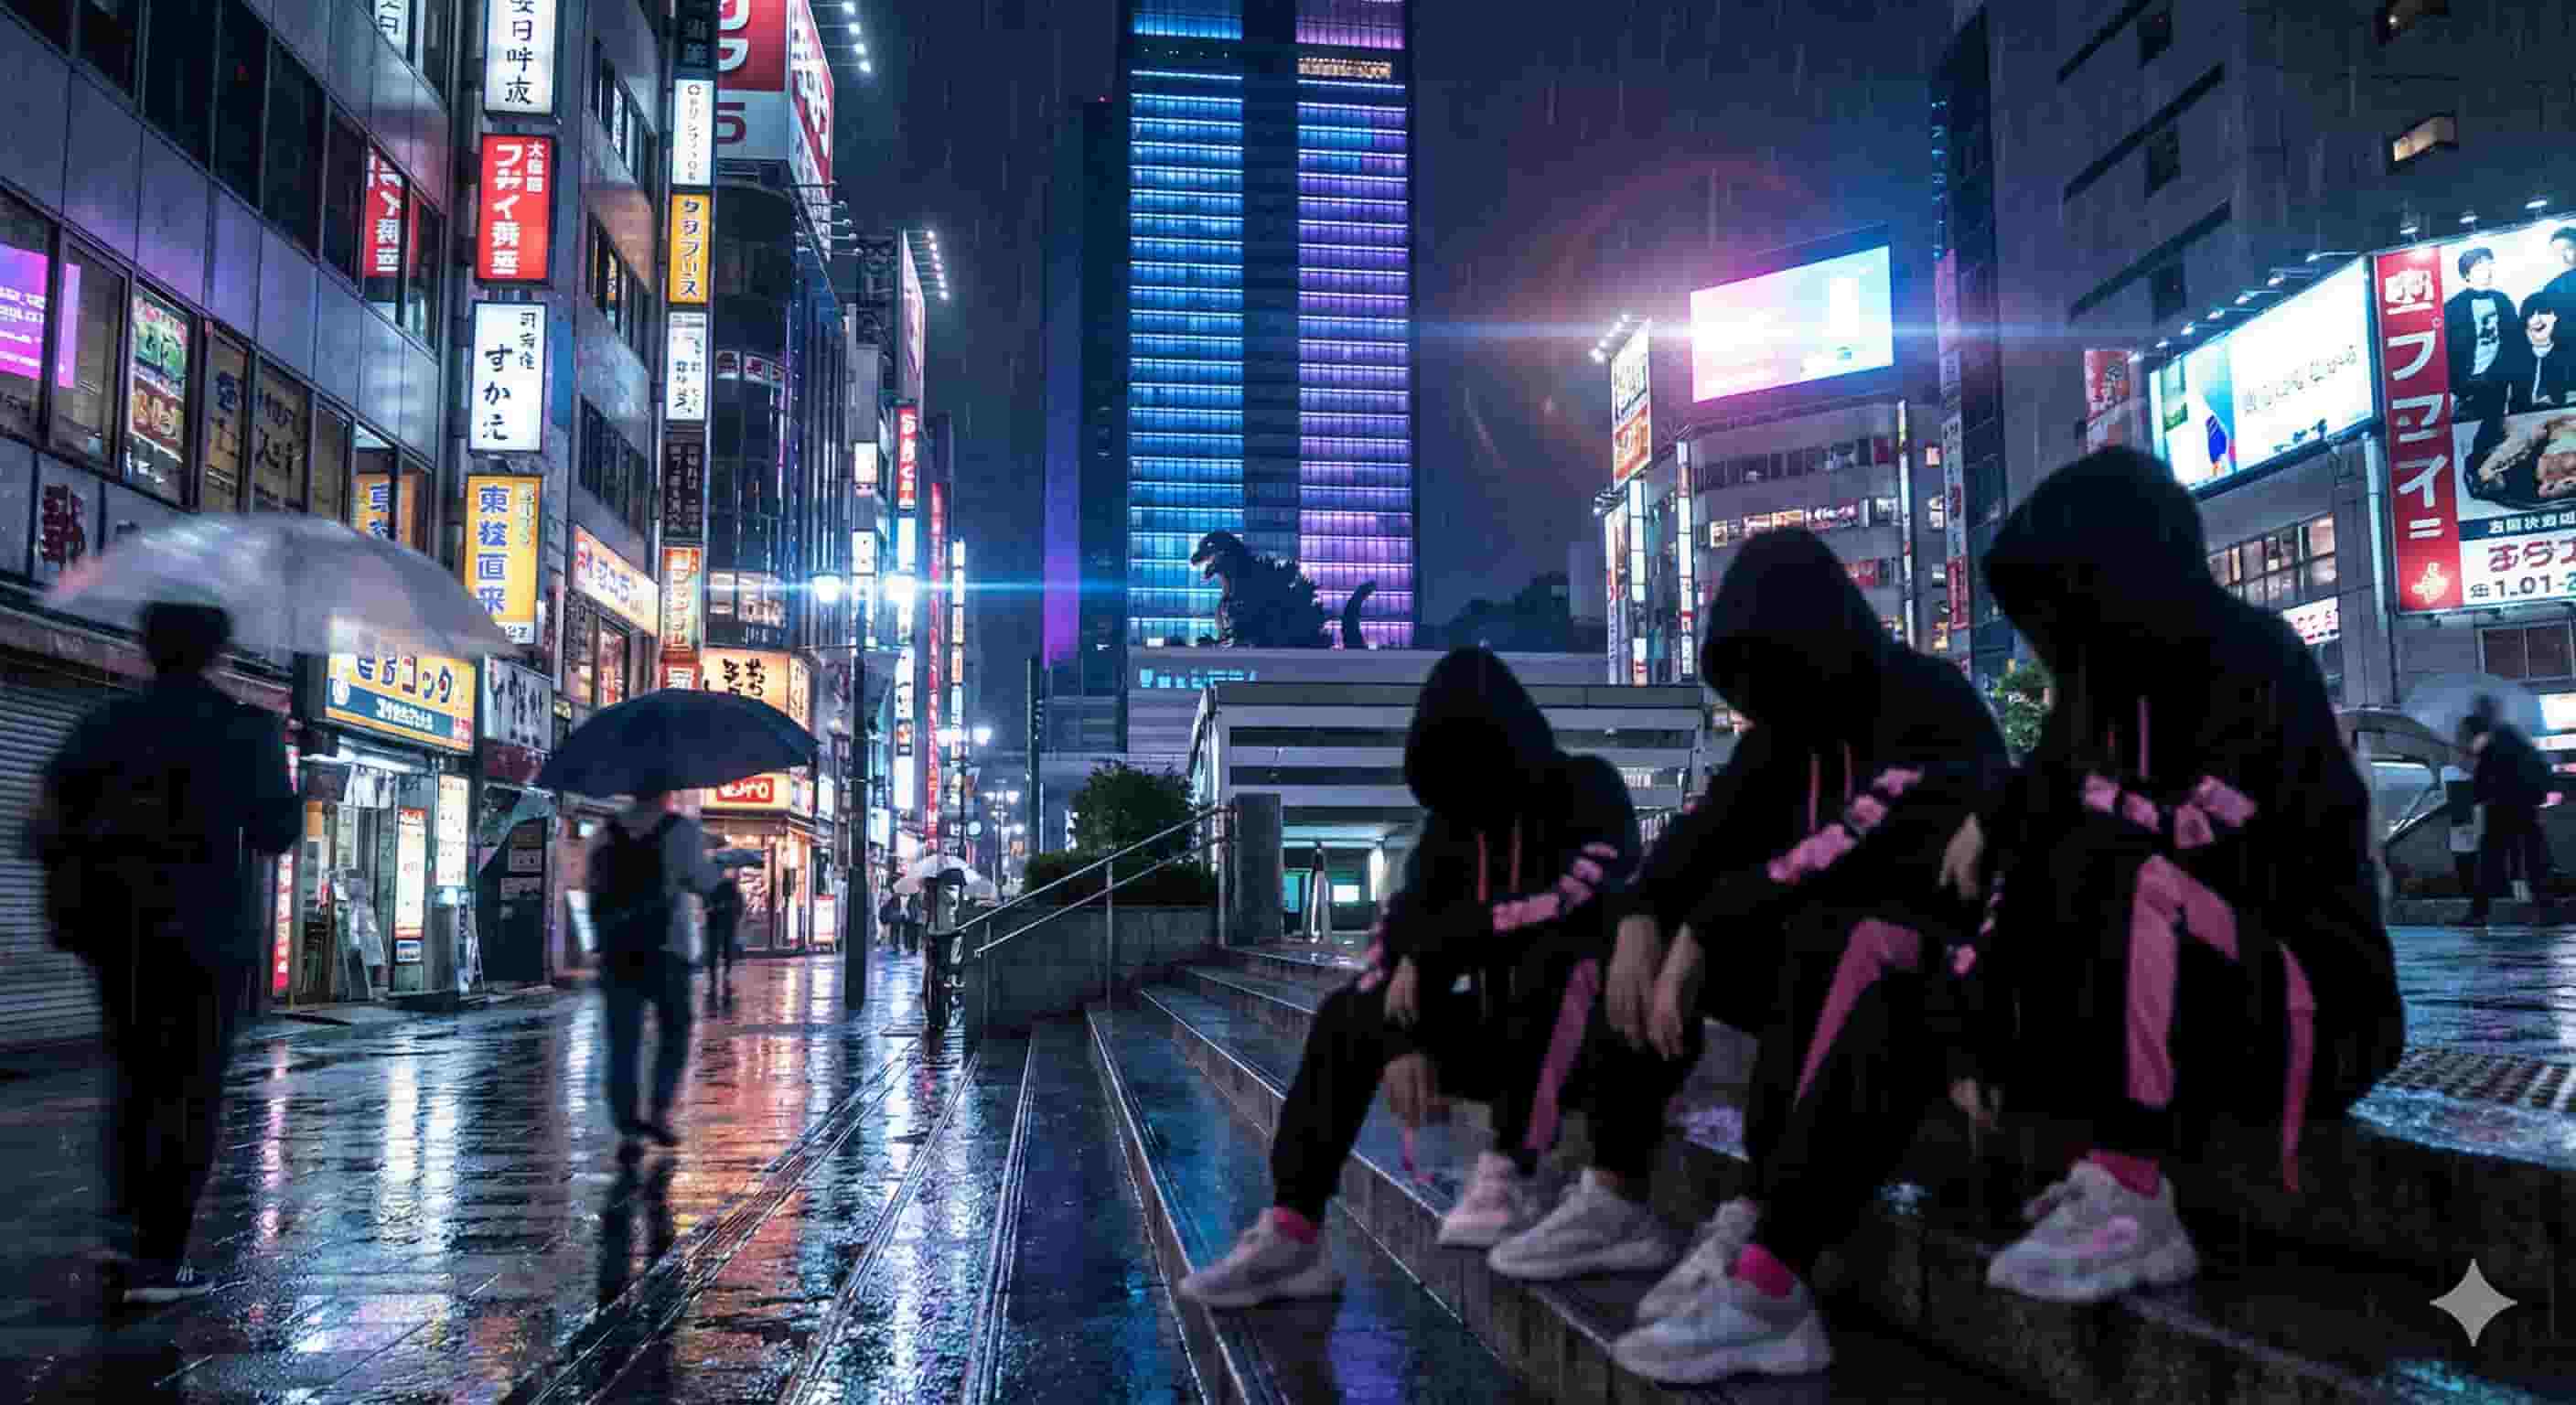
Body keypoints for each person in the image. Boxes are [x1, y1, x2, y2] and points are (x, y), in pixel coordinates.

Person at [1484, 529, 2004, 1384]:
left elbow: (1863, 851)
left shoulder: (1926, 700)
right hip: (1824, 955)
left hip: (1928, 971)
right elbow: (1701, 835)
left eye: (1774, 667)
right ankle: (1615, 1191)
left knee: (1823, 932)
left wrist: (1707, 926)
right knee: (1627, 933)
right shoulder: (1786, 737)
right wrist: (1650, 915)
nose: (1762, 699)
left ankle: (1766, 1239)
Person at [1953, 446, 2404, 1306]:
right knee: (2032, 869)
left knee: (2126, 868)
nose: (2050, 637)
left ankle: (2133, 1189)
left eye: (2062, 606)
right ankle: (2101, 1165)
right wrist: (1978, 1037)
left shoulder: (2256, 661)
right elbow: (2036, 828)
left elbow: (2204, 836)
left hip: (2316, 1004)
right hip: (2198, 1015)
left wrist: (2046, 817)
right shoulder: (2096, 701)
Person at [1177, 648, 1639, 1307]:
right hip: (1507, 1043)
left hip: (1602, 1044)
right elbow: (1396, 936)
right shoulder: (1453, 832)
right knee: (1348, 1012)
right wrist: (1403, 1039)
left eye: (1473, 769)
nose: (1465, 797)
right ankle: (1293, 1230)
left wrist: (1431, 947)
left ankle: (1513, 1170)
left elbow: (1578, 908)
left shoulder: (1588, 790)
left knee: (1559, 959)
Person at [27, 603, 299, 1305]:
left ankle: (120, 1234)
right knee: (190, 1091)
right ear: (220, 651)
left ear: (146, 645)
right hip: (208, 936)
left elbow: (44, 816)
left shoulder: (107, 723)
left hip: (118, 930)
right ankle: (160, 1257)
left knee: (133, 1078)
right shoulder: (245, 727)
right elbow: (275, 831)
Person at [587, 789, 721, 1159]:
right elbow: (705, 882)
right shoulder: (680, 831)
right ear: (668, 791)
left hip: (617, 952)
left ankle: (628, 1124)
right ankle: (659, 1110)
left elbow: (593, 888)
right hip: (667, 950)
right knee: (675, 1029)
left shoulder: (605, 831)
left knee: (622, 1040)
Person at [2463, 695, 2559, 924]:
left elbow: (2484, 777)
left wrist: (2478, 791)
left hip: (2501, 807)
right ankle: (2546, 910)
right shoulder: (2513, 735)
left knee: (2490, 860)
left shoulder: (2490, 739)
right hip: (2524, 805)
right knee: (2534, 858)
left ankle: (2479, 913)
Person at [2445, 247, 2525, 426]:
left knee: (2495, 433)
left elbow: (2515, 343)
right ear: (2467, 274)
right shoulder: (2452, 307)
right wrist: (2458, 386)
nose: (2487, 272)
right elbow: (2447, 351)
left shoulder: (2502, 301)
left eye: (2490, 266)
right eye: (2480, 267)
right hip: (2465, 386)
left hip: (2497, 382)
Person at [2442, 744, 2484, 896]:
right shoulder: (2448, 772)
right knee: (2466, 875)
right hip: (2460, 831)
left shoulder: (2482, 772)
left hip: (2478, 831)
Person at [704, 871, 744, 996]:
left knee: (716, 952)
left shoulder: (716, 888)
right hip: (723, 925)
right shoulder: (731, 890)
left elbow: (708, 906)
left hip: (720, 925)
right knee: (722, 951)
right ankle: (722, 977)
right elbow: (739, 908)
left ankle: (717, 979)